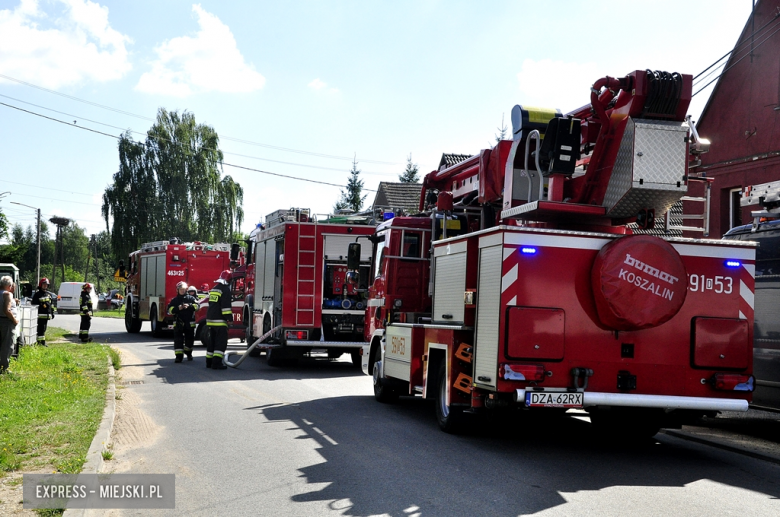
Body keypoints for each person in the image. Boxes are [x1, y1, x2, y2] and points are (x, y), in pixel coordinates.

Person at [205, 270, 232, 370]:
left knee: (211, 342)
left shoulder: (214, 289)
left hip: (210, 320)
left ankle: (209, 362)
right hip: (220, 321)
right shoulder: (225, 290)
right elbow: (225, 308)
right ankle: (216, 364)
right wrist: (229, 319)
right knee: (220, 343)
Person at [167, 282, 198, 363]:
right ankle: (178, 357)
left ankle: (188, 353)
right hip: (178, 324)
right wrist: (178, 308)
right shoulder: (174, 300)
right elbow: (169, 310)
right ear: (177, 290)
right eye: (181, 289)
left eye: (184, 289)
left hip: (189, 324)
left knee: (189, 340)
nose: (182, 291)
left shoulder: (191, 298)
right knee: (178, 340)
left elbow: (197, 306)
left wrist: (189, 306)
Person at [1, 276, 19, 374]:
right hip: (7, 322)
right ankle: (4, 367)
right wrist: (14, 320)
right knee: (7, 346)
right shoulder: (7, 294)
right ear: (9, 285)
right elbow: (6, 310)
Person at [31, 277, 54, 346]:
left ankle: (41, 342)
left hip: (46, 316)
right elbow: (34, 304)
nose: (45, 286)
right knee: (40, 329)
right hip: (40, 315)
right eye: (44, 284)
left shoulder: (48, 294)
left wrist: (52, 313)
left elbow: (51, 305)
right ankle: (41, 343)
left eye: (46, 285)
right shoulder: (37, 294)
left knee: (44, 329)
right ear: (41, 285)